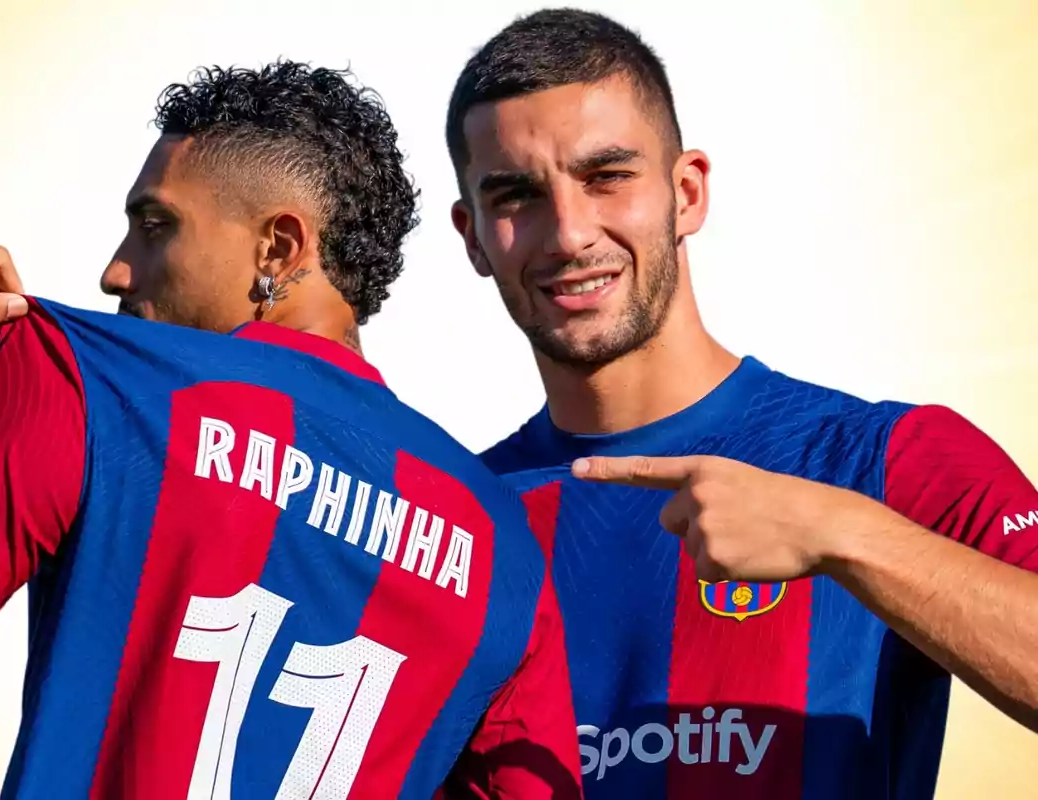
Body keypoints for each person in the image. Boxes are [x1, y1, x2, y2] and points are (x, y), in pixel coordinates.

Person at [0, 62, 581, 799]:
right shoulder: (505, 549)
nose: (115, 271)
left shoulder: (93, 380)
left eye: (155, 226)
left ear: (278, 249)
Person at [441, 8, 1038, 799]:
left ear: (686, 194)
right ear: (474, 237)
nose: (568, 232)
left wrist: (844, 535)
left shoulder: (885, 458)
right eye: (516, 195)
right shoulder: (452, 521)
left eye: (606, 176)